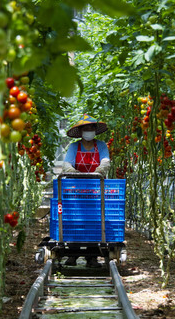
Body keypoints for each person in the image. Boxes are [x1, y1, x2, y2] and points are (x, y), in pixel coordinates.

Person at [61, 114, 110, 268]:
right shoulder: (74, 146)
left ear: (95, 130)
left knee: (95, 220)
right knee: (75, 219)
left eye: (91, 128)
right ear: (81, 131)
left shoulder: (101, 146)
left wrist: (100, 170)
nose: (89, 130)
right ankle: (72, 255)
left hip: (96, 187)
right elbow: (67, 163)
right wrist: (72, 172)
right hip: (76, 188)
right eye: (86, 128)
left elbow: (105, 161)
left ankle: (92, 257)